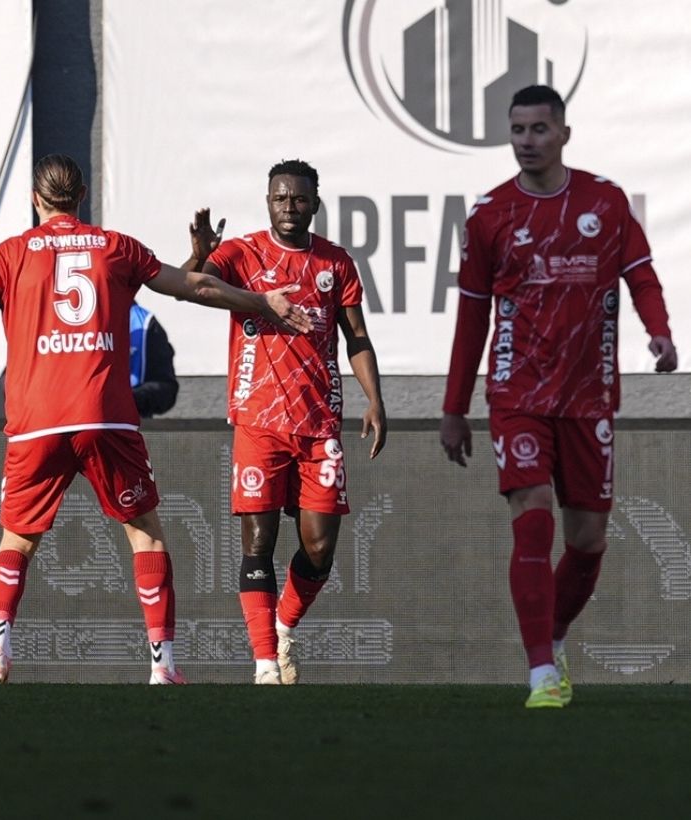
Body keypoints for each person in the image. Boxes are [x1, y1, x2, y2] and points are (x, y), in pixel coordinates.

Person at [0, 153, 311, 685]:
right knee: (147, 537)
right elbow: (194, 287)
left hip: (37, 421)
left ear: (36, 200)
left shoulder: (12, 254)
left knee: (16, 541)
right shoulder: (116, 246)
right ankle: (164, 667)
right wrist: (260, 302)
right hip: (105, 418)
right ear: (82, 195)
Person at [440, 85, 677, 708]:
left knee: (588, 540)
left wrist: (660, 333)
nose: (527, 141)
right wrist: (454, 408)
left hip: (588, 396)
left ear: (563, 134)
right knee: (533, 516)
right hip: (516, 392)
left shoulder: (605, 200)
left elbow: (641, 276)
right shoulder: (490, 214)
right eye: (518, 130)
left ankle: (557, 634)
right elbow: (471, 317)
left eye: (539, 129)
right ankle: (541, 671)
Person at [186, 159, 387, 686]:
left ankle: (283, 625)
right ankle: (265, 662)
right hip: (258, 422)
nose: (289, 207)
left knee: (320, 548)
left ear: (315, 203)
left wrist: (375, 398)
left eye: (299, 198)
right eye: (280, 198)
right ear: (267, 201)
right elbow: (193, 285)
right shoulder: (243, 254)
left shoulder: (335, 262)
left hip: (320, 424)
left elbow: (356, 336)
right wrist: (201, 254)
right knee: (258, 543)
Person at [129, 302, 179, 418]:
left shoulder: (145, 323)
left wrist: (128, 398)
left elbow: (166, 391)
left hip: (131, 425)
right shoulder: (80, 318)